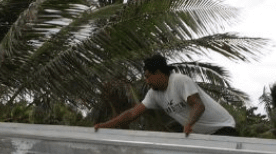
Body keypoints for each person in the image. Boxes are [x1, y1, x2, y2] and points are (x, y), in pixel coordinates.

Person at [94, 54, 238, 136]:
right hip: (204, 136)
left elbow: (198, 105)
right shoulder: (154, 94)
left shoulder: (180, 81)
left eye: (148, 76)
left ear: (159, 72)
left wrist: (188, 124)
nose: (146, 81)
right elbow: (132, 114)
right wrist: (106, 125)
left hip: (223, 128)